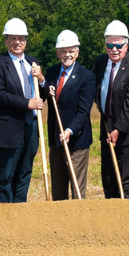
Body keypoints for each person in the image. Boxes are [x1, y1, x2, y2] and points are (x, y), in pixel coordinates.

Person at [0, 18, 43, 203]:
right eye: (13, 38)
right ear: (6, 41)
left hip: (32, 126)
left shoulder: (33, 63)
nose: (17, 42)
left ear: (26, 41)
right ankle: (4, 213)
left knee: (25, 171)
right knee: (6, 173)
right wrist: (27, 103)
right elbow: (0, 95)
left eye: (21, 38)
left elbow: (44, 94)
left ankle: (20, 211)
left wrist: (41, 79)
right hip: (10, 127)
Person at [94, 20, 129, 199]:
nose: (114, 50)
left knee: (123, 177)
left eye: (118, 45)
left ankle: (125, 216)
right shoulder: (101, 62)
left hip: (128, 132)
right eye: (110, 45)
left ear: (126, 45)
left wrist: (119, 129)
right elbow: (94, 87)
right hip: (107, 128)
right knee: (108, 177)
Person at [42, 30, 96, 200]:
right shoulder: (50, 73)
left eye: (71, 51)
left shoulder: (87, 77)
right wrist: (45, 87)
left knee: (77, 190)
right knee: (58, 190)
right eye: (63, 51)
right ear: (57, 53)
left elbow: (83, 111)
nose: (67, 55)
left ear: (77, 52)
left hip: (76, 141)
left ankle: (78, 222)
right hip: (55, 140)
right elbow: (42, 96)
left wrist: (70, 130)